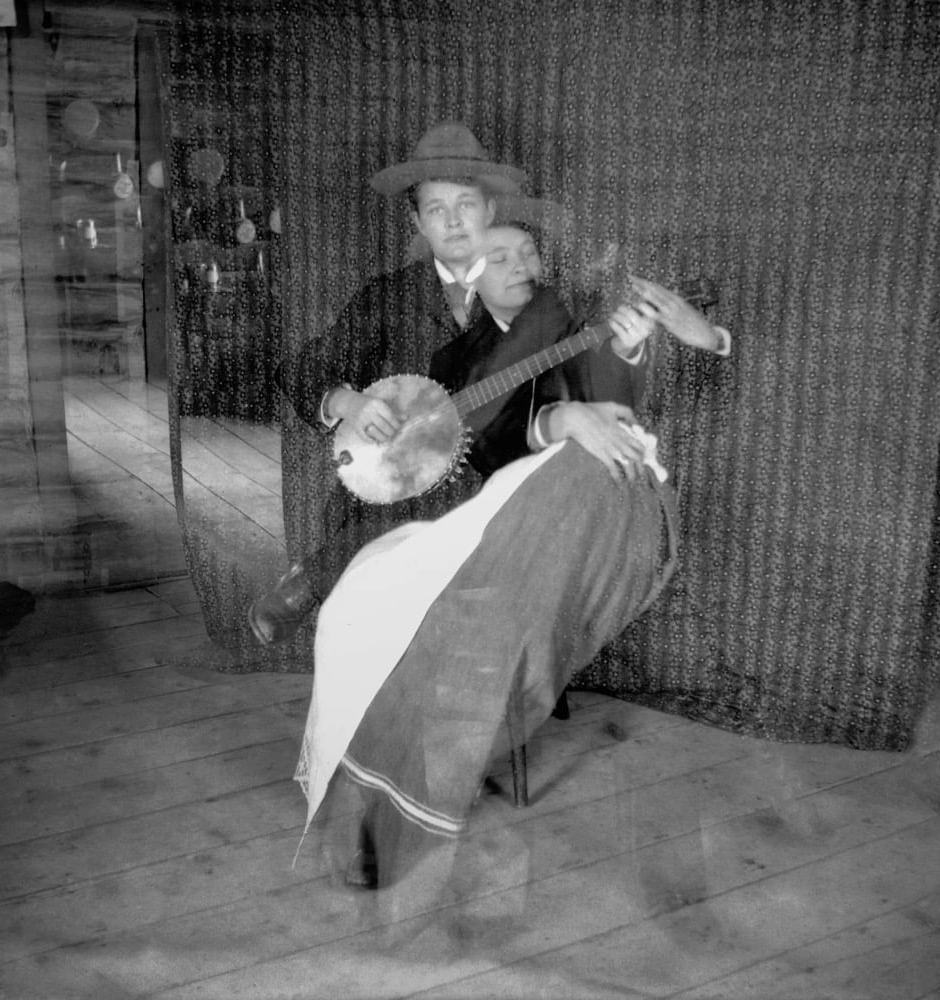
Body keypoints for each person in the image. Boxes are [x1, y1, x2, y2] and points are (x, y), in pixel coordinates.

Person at [295, 226, 732, 892]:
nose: (520, 264)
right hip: (477, 509)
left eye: (527, 252)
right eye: (498, 256)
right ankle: (387, 786)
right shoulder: (455, 353)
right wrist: (557, 422)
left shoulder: (569, 319)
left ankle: (405, 808)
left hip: (565, 501)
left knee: (491, 626)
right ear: (467, 273)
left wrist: (655, 342)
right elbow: (474, 437)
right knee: (406, 611)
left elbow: (615, 401)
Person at [247, 126, 662, 646]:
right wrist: (348, 401)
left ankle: (316, 578)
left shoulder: (540, 303)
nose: (452, 220)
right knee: (414, 513)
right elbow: (303, 368)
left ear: (490, 211)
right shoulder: (389, 297)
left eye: (465, 204)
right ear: (417, 220)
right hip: (397, 491)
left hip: (507, 487)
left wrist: (625, 347)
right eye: (436, 208)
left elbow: (592, 388)